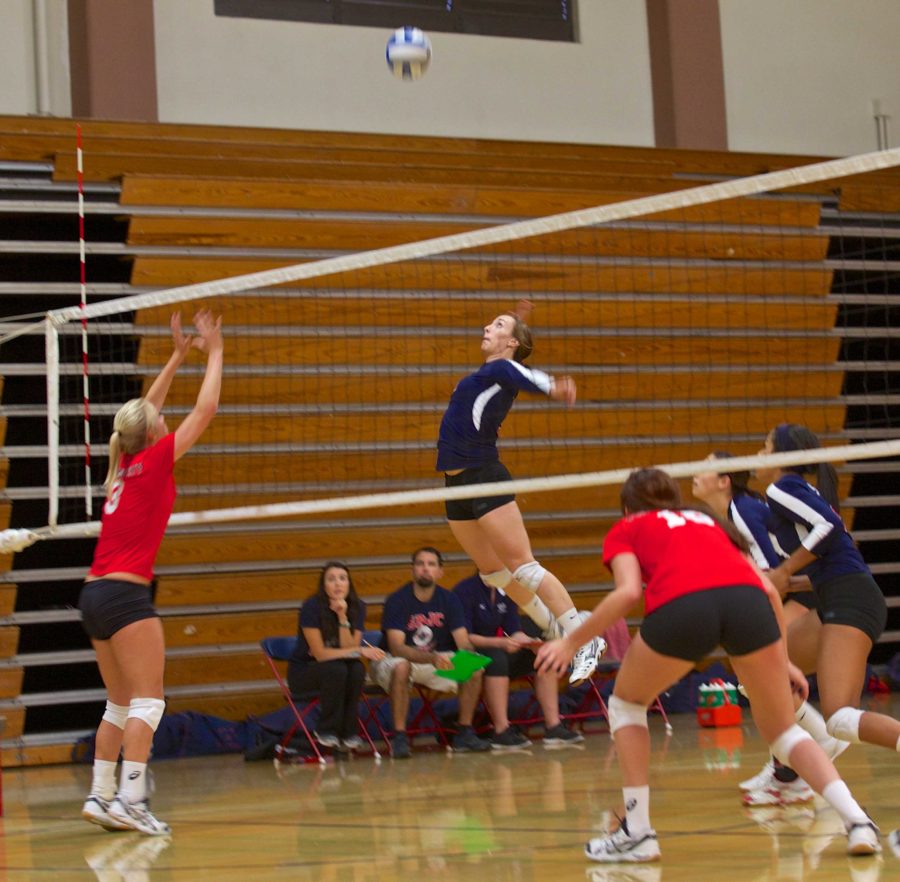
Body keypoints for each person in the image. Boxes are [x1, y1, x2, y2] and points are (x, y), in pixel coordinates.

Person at [536, 467, 882, 863]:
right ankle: (856, 820)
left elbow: (629, 591)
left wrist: (570, 641)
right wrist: (782, 659)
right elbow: (769, 589)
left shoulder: (629, 527)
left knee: (626, 705)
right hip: (748, 604)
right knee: (783, 730)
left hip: (685, 605)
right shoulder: (706, 521)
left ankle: (638, 831)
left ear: (627, 507)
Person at [79, 310, 223, 836]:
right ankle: (131, 800)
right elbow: (205, 409)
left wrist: (178, 357)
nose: (163, 418)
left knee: (120, 701)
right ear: (153, 433)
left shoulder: (123, 461)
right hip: (124, 597)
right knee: (149, 700)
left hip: (93, 595)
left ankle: (100, 795)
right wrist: (217, 351)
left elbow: (143, 412)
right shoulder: (155, 459)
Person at [437, 301, 604, 684]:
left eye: (495, 325)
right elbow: (514, 358)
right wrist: (515, 323)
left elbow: (527, 375)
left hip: (485, 476)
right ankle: (552, 629)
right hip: (456, 483)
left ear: (510, 342)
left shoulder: (501, 368)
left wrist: (555, 388)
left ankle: (582, 639)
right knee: (494, 574)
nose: (486, 326)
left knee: (524, 568)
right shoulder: (494, 370)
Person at [691, 452, 849, 806]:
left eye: (704, 466)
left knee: (763, 675)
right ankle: (787, 760)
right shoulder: (734, 512)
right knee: (757, 678)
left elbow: (770, 575)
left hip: (801, 596)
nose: (694, 472)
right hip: (789, 594)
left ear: (723, 481)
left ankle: (807, 751)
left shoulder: (743, 511)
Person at [758, 423, 900, 757]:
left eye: (765, 447)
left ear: (781, 457)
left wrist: (784, 570)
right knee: (765, 670)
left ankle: (806, 758)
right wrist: (784, 580)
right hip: (843, 597)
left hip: (850, 602)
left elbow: (831, 528)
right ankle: (791, 769)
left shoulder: (782, 488)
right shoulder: (800, 492)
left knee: (840, 720)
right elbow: (836, 554)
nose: (759, 455)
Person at [369, 547, 491, 758]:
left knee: (474, 669)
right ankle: (399, 737)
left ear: (440, 572)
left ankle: (464, 732)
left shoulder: (449, 600)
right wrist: (431, 658)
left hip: (434, 660)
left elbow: (462, 640)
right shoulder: (397, 600)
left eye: (431, 564)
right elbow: (397, 647)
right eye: (420, 564)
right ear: (412, 570)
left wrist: (470, 655)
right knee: (401, 666)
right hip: (393, 659)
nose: (425, 569)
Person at [452, 572, 584, 750]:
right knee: (496, 659)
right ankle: (501, 730)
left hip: (498, 646)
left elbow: (514, 629)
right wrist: (501, 643)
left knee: (544, 655)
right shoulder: (465, 590)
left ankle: (553, 726)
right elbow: (464, 636)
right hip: (470, 650)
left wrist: (530, 642)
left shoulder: (506, 589)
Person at [287, 561, 385, 751]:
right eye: (331, 579)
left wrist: (342, 617)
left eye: (342, 579)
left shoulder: (357, 607)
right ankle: (326, 730)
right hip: (305, 672)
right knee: (336, 668)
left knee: (356, 668)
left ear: (349, 583)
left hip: (339, 671)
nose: (338, 584)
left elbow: (350, 649)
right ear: (324, 586)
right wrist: (360, 651)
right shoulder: (312, 606)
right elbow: (321, 654)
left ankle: (349, 731)